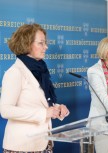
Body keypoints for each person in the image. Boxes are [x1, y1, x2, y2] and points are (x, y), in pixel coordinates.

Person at [0, 23, 70, 153]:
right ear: (27, 44)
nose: (46, 47)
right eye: (41, 43)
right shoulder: (15, 72)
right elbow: (5, 110)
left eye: (45, 43)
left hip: (44, 143)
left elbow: (42, 103)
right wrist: (44, 113)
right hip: (22, 147)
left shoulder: (40, 71)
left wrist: (57, 108)